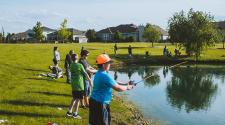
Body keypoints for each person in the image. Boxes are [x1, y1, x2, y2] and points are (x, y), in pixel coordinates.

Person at [89, 54, 134, 125]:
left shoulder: (99, 72)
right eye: (108, 62)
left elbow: (112, 81)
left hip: (94, 101)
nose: (110, 64)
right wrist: (127, 87)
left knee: (94, 122)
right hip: (101, 103)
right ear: (104, 65)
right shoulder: (104, 75)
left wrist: (125, 83)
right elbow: (118, 88)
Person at [66, 54, 93, 119]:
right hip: (79, 85)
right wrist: (90, 81)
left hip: (73, 85)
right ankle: (75, 114)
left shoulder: (71, 65)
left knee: (74, 98)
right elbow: (85, 73)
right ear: (77, 58)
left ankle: (69, 112)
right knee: (78, 99)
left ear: (72, 59)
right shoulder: (80, 65)